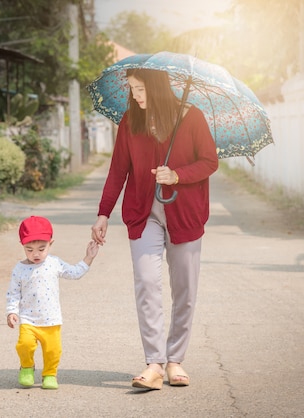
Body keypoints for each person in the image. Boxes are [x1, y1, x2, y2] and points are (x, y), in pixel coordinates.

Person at [90, 68, 218, 390]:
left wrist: (177, 175)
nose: (136, 96)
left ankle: (175, 360)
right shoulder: (130, 122)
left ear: (158, 87)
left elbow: (209, 161)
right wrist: (103, 213)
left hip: (185, 215)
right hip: (142, 212)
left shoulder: (191, 117)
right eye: (132, 89)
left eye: (141, 90)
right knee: (147, 282)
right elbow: (118, 170)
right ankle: (155, 363)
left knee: (185, 289)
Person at [6, 216, 99, 389]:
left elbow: (74, 273)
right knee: (24, 345)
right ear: (22, 245)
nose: (35, 254)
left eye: (42, 248)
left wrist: (89, 258)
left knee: (53, 351)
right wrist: (12, 312)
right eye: (29, 249)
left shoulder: (54, 263)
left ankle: (49, 374)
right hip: (28, 320)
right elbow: (13, 294)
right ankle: (27, 367)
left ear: (51, 243)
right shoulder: (19, 269)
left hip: (51, 320)